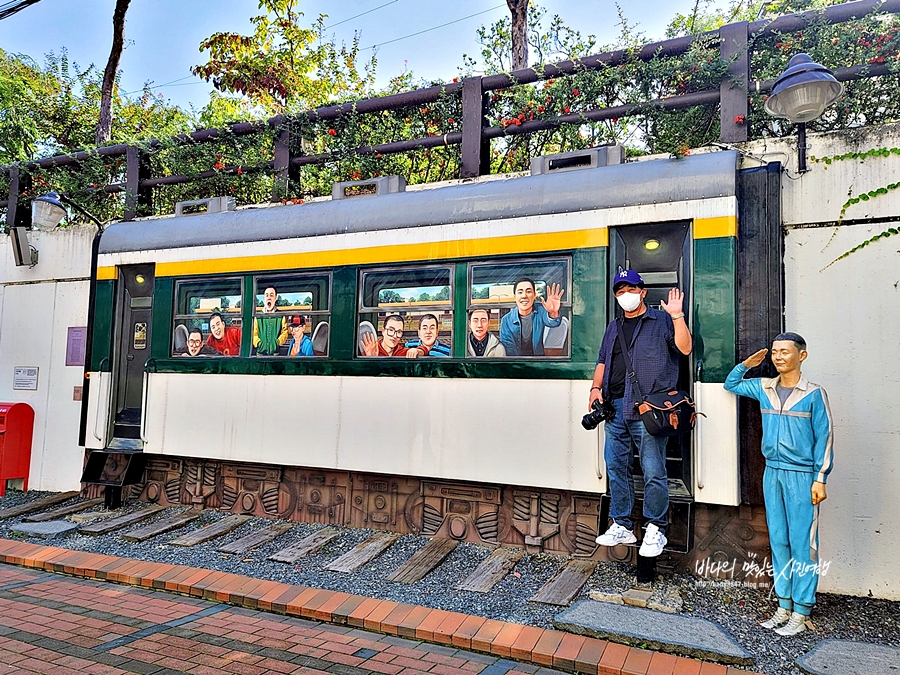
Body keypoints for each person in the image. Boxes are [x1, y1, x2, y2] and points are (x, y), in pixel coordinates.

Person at [725, 333, 834, 636]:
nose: (778, 357)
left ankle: (801, 610)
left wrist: (820, 478)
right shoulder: (765, 388)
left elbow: (825, 438)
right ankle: (783, 605)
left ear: (802, 355)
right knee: (779, 540)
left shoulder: (814, 394)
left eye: (785, 352)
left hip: (802, 477)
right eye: (774, 352)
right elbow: (731, 385)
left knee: (803, 543)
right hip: (772, 472)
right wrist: (746, 365)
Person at [589, 269, 692, 558]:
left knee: (653, 470)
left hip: (648, 409)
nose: (625, 296)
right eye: (620, 292)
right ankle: (621, 523)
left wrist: (677, 316)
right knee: (615, 467)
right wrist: (595, 389)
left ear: (643, 291)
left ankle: (655, 527)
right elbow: (601, 360)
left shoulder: (661, 321)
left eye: (630, 289)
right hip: (615, 408)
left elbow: (685, 349)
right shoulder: (614, 327)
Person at [499, 279, 564, 356]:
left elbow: (553, 323)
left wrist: (553, 312)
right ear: (515, 297)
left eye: (528, 291)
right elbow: (508, 348)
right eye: (520, 292)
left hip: (538, 361)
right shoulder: (506, 320)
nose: (524, 296)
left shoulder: (541, 310)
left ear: (534, 295)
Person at [360, 315, 425, 357]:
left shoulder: (402, 352)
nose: (395, 335)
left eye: (399, 332)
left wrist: (417, 351)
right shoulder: (372, 348)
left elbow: (424, 350)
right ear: (383, 331)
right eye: (391, 330)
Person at [253, 286, 288, 355]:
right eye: (267, 295)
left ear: (275, 298)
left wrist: (277, 342)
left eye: (271, 295)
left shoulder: (281, 316)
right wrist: (259, 343)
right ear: (264, 298)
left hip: (275, 356)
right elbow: (254, 334)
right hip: (260, 355)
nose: (269, 297)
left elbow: (285, 332)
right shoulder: (257, 316)